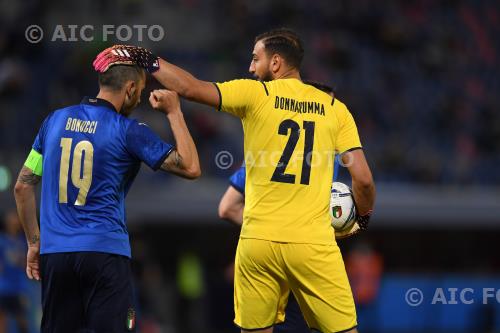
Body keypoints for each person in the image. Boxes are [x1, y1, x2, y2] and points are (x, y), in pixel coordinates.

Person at [94, 27, 376, 333]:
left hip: (258, 244)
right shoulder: (336, 110)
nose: (251, 67)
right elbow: (362, 179)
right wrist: (360, 219)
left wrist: (146, 59)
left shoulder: (256, 95)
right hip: (313, 244)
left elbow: (189, 87)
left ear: (277, 62)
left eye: (256, 59)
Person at [13, 59, 200, 332]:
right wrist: (174, 113)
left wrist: (33, 243)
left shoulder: (53, 121)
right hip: (104, 253)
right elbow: (191, 166)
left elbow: (23, 186)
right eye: (140, 91)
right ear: (131, 88)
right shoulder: (128, 130)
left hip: (56, 255)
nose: (138, 99)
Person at [218, 81, 341, 333]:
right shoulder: (330, 157)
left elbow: (227, 207)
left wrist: (272, 227)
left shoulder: (267, 148)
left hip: (266, 257)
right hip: (306, 260)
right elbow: (227, 207)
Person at [0, 211, 29, 333]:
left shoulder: (23, 241)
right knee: (3, 320)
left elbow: (26, 263)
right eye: (12, 219)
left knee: (22, 320)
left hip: (19, 287)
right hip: (3, 287)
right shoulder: (2, 241)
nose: (15, 222)